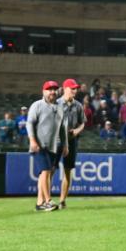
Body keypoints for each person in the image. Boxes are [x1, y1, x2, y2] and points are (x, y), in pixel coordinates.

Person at [26, 80, 66, 212]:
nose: (52, 92)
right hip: (38, 145)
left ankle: (40, 203)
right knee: (46, 171)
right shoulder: (36, 105)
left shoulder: (59, 107)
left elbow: (62, 128)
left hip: (52, 146)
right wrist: (32, 141)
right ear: (43, 91)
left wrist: (65, 144)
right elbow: (29, 123)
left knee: (45, 173)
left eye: (54, 89)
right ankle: (48, 200)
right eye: (49, 89)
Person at [57, 78, 86, 209]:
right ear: (65, 89)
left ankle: (62, 201)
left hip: (72, 140)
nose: (75, 90)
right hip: (56, 141)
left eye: (76, 88)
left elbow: (83, 123)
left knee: (68, 171)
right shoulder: (56, 104)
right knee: (50, 170)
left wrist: (77, 131)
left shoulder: (78, 105)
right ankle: (47, 199)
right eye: (72, 88)